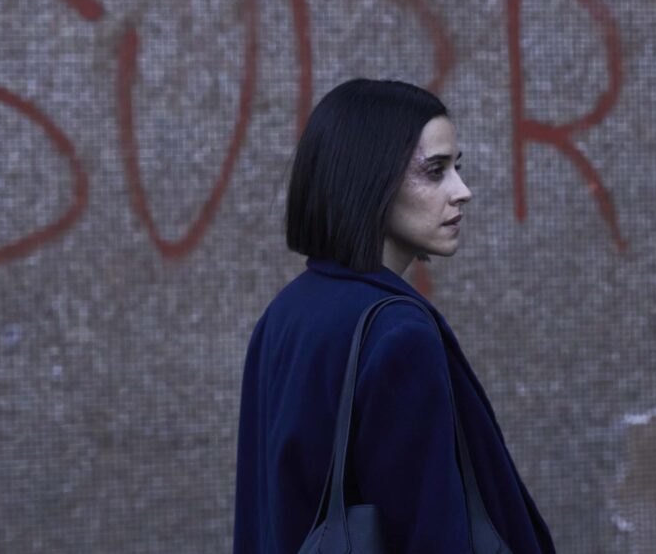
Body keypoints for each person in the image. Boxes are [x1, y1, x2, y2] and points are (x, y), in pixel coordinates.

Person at [232, 79, 555, 553]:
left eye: (457, 168)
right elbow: (432, 532)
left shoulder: (285, 314)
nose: (462, 191)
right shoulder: (399, 334)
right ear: (371, 180)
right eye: (435, 171)